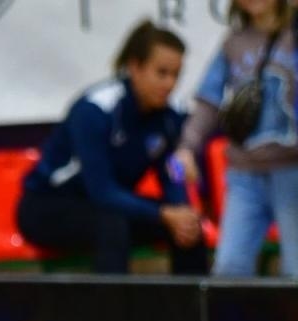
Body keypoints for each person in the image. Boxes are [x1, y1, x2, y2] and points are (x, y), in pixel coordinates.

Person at [17, 21, 208, 275]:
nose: (170, 84)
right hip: (48, 207)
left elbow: (172, 169)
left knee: (189, 227)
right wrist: (164, 213)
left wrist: (181, 211)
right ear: (135, 67)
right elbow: (102, 191)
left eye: (176, 75)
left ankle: (194, 301)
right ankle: (114, 303)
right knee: (112, 226)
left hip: (109, 207)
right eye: (162, 73)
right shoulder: (95, 110)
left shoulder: (170, 115)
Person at [174, 0, 298, 276]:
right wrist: (187, 147)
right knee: (229, 268)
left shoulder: (294, 33)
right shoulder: (234, 42)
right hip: (244, 173)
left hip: (292, 170)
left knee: (295, 270)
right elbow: (209, 101)